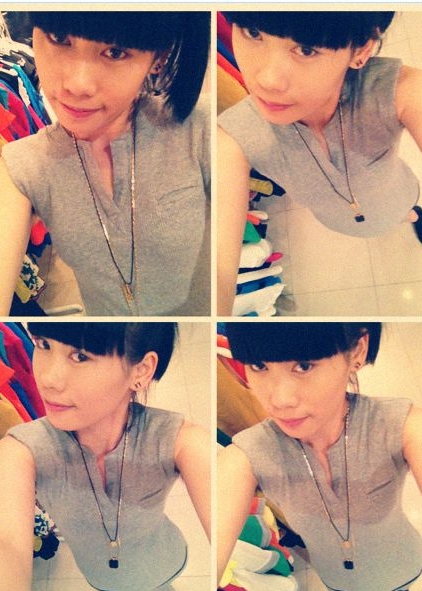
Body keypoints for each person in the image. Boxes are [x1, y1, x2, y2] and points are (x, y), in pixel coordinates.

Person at [0, 11, 210, 316]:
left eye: (115, 52)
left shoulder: (201, 131)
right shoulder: (22, 166)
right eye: (59, 38)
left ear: (158, 58)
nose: (78, 85)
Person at [217, 12, 422, 315]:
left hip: (399, 195)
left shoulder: (397, 90)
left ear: (361, 51)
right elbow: (219, 270)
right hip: (335, 220)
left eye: (306, 49)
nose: (267, 80)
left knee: (405, 213)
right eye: (252, 32)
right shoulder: (233, 138)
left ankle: (411, 216)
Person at [0, 322, 210, 591]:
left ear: (141, 370)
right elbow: (7, 543)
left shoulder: (177, 438)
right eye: (44, 344)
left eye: (80, 356)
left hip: (163, 564)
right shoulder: (21, 451)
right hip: (100, 579)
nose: (48, 379)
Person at [217, 322, 422, 591]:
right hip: (334, 580)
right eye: (258, 365)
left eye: (304, 366)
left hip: (402, 568)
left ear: (357, 350)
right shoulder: (248, 454)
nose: (280, 400)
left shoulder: (401, 424)